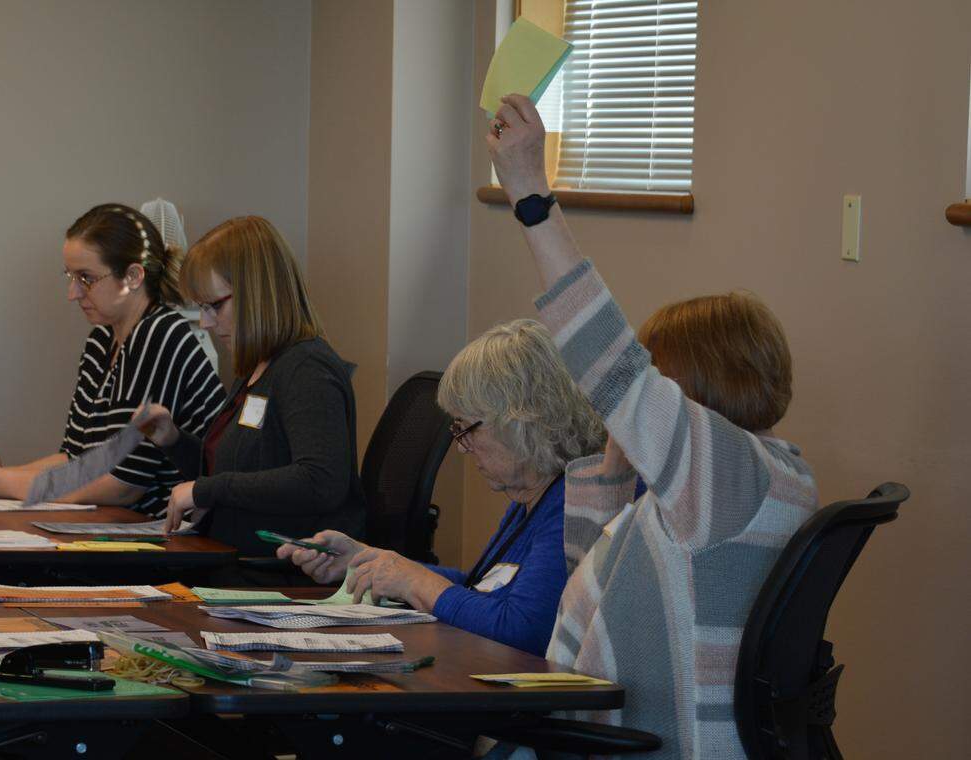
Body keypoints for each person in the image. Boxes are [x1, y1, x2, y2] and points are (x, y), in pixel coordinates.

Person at [486, 95, 819, 757]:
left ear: (687, 391)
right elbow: (585, 579)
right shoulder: (760, 480)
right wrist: (615, 464)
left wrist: (530, 196)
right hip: (602, 727)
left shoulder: (729, 482)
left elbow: (609, 363)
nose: (641, 406)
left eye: (658, 382)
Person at [277, 319, 604, 657]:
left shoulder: (575, 505)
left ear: (520, 419)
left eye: (467, 428)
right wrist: (366, 562)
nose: (461, 447)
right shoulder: (534, 496)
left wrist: (415, 581)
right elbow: (481, 592)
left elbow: (521, 630)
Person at [0, 204, 225, 514]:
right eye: (70, 276)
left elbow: (122, 485)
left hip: (181, 536)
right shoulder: (102, 339)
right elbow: (74, 456)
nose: (72, 293)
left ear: (132, 276)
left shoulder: (161, 334)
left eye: (86, 278)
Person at [136, 216, 365, 556]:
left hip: (280, 572)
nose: (205, 322)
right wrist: (173, 440)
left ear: (258, 294)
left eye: (214, 305)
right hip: (233, 556)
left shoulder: (307, 369)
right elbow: (240, 471)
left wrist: (207, 490)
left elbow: (321, 481)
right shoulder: (258, 368)